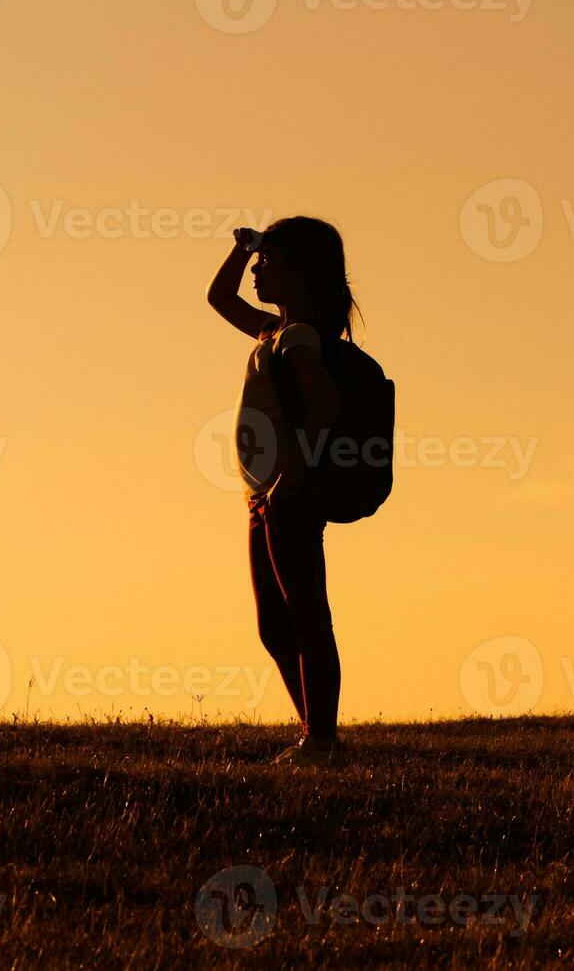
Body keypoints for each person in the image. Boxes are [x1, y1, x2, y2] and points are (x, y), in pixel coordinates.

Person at [207, 217, 359, 766]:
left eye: (266, 263)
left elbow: (325, 406)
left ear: (295, 274)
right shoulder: (273, 332)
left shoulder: (297, 339)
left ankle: (320, 741)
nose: (254, 272)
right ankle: (315, 734)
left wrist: (290, 476)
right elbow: (219, 297)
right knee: (275, 624)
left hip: (286, 497)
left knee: (305, 614)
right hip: (263, 499)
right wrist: (245, 247)